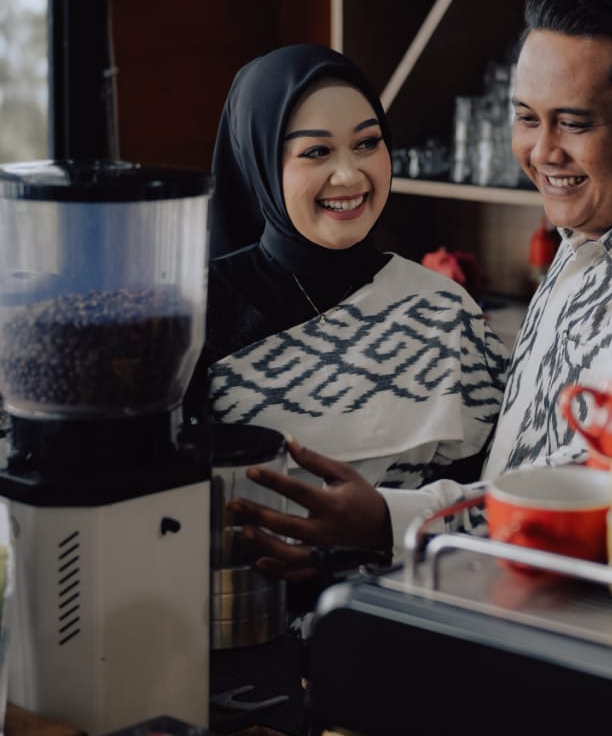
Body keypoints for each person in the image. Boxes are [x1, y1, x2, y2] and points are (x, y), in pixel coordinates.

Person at [228, 0, 612, 576]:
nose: (542, 152)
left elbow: (600, 500)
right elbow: (520, 461)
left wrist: (387, 523)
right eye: (527, 118)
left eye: (574, 123)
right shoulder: (591, 236)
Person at [187, 43, 509, 502]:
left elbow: (495, 493)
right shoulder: (197, 315)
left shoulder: (445, 310)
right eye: (317, 151)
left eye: (367, 143)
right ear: (260, 163)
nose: (350, 176)